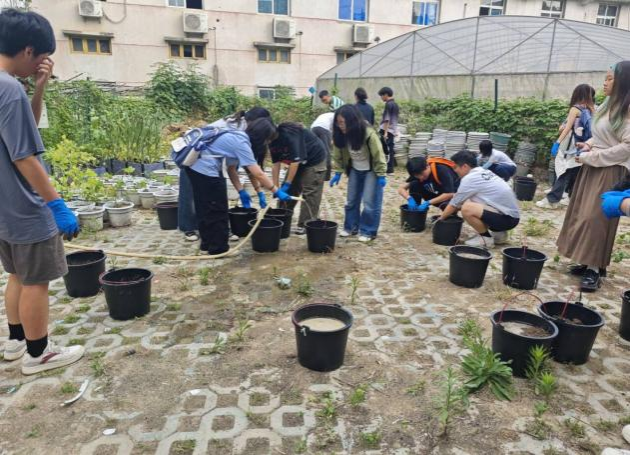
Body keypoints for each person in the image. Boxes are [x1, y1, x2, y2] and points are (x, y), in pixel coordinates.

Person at [0, 9, 85, 375]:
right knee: (36, 280)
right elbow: (24, 155)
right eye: (41, 57)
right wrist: (56, 204)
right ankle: (39, 354)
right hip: (23, 205)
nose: (40, 64)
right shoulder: (8, 89)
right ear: (28, 50)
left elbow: (22, 131)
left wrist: (38, 88)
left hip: (3, 208)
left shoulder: (8, 88)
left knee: (17, 274)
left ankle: (16, 341)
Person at [557, 62, 630, 292]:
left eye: (610, 79)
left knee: (596, 218)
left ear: (623, 82)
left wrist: (593, 156)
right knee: (581, 213)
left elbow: (627, 146)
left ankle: (595, 269)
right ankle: (587, 261)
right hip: (593, 166)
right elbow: (600, 135)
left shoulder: (627, 110)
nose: (604, 83)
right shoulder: (607, 106)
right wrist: (588, 144)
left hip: (610, 170)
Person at [184, 117, 291, 255]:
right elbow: (258, 173)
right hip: (206, 170)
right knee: (218, 210)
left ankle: (207, 245)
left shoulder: (236, 137)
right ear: (261, 136)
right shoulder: (241, 142)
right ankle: (219, 249)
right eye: (267, 140)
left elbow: (231, 169)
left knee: (205, 207)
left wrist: (241, 191)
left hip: (195, 168)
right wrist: (276, 191)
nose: (267, 143)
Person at [178, 108, 271, 242]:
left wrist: (256, 190)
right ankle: (190, 228)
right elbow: (247, 167)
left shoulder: (244, 129)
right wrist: (272, 190)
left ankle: (217, 231)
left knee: (214, 200)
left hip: (213, 162)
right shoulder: (238, 129)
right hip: (194, 158)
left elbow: (243, 165)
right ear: (255, 121)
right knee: (192, 195)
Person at [330, 105, 387, 242]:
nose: (340, 126)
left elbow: (378, 154)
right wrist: (338, 172)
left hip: (371, 171)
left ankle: (368, 231)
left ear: (352, 120)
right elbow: (338, 154)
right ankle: (351, 227)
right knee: (351, 201)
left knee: (369, 203)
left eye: (342, 122)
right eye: (338, 123)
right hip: (355, 170)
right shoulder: (340, 134)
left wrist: (381, 174)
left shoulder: (368, 133)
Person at [439, 150, 520, 248]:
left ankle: (485, 239)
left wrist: (440, 219)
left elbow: (454, 203)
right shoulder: (483, 171)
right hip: (511, 216)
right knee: (469, 201)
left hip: (507, 219)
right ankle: (499, 234)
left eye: (455, 167)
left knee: (467, 208)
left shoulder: (470, 178)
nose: (455, 171)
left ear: (465, 166)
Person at [537, 84, 596, 209]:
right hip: (586, 145)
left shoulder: (575, 108)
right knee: (576, 171)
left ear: (577, 93)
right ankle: (571, 198)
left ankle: (552, 200)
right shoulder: (593, 109)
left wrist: (557, 142)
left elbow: (567, 128)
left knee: (565, 171)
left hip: (572, 145)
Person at [269, 123, 327, 235]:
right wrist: (276, 188)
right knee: (288, 192)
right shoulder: (271, 141)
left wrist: (287, 184)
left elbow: (295, 163)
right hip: (297, 161)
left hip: (314, 159)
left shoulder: (290, 136)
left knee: (310, 192)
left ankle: (306, 224)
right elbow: (276, 164)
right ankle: (281, 219)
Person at [378, 87, 400, 174]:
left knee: (385, 149)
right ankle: (391, 168)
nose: (381, 97)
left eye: (381, 95)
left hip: (386, 130)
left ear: (386, 95)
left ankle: (389, 169)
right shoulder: (395, 104)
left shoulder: (388, 104)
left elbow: (387, 119)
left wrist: (385, 132)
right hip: (392, 130)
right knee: (390, 149)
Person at [311, 111, 334, 181]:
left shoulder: (326, 115)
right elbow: (335, 130)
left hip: (313, 128)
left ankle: (313, 171)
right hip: (323, 128)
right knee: (326, 150)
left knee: (316, 150)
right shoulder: (336, 116)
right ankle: (326, 176)